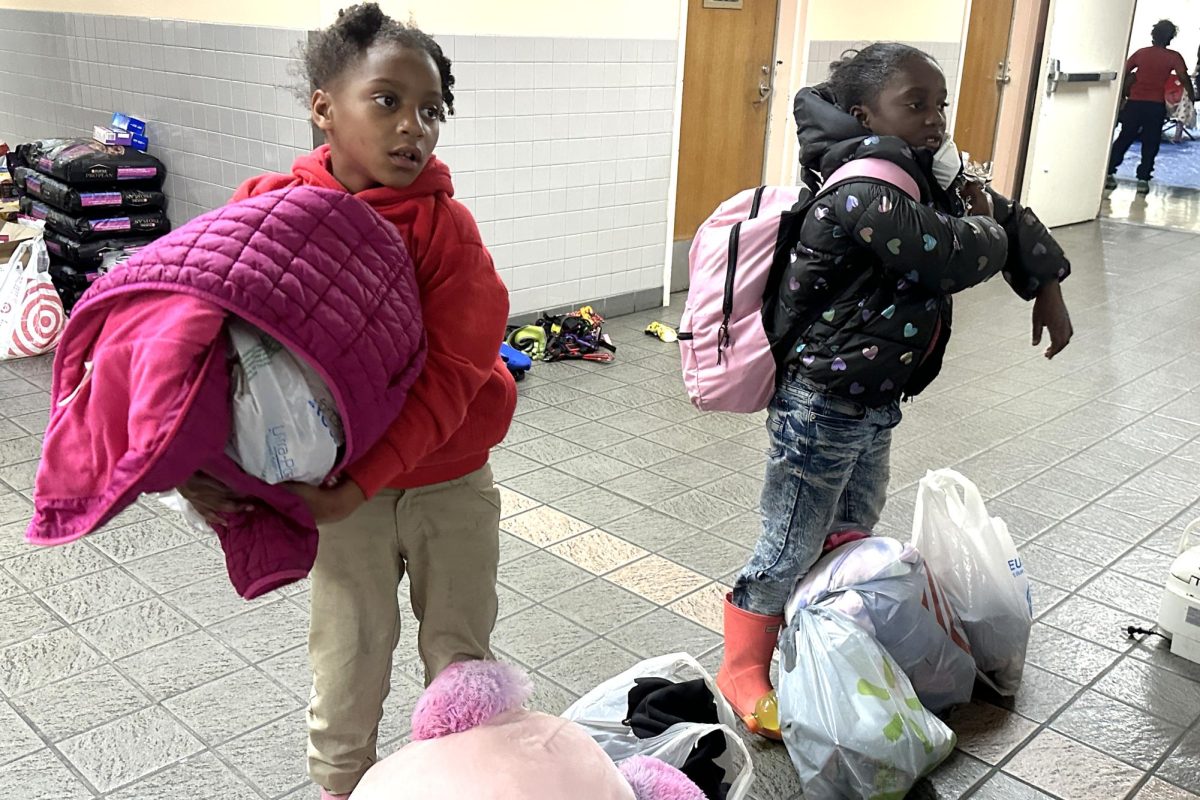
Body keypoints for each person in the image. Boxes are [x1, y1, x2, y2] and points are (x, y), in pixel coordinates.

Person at [177, 5, 516, 798]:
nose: (414, 128)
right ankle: (341, 787)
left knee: (461, 665)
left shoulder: (446, 231)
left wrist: (360, 485)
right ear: (323, 106)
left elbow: (452, 376)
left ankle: (461, 784)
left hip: (447, 486)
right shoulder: (264, 207)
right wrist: (188, 455)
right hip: (344, 507)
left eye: (432, 111)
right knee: (347, 670)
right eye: (388, 100)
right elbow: (200, 335)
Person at [715, 43, 1074, 740]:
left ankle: (821, 632)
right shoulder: (861, 186)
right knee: (790, 540)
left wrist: (1048, 285)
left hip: (873, 396)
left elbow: (1006, 215)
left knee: (851, 529)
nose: (935, 119)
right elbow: (941, 252)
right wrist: (983, 220)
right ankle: (741, 669)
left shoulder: (923, 172)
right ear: (862, 114)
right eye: (916, 105)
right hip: (820, 399)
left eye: (939, 104)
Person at [1107, 19, 1194, 193]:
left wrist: (1124, 91)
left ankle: (1109, 172)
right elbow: (1183, 77)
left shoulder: (1141, 54)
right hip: (1155, 105)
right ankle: (1143, 179)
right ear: (1170, 38)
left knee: (1125, 137)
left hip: (1135, 103)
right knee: (1151, 142)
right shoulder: (1173, 57)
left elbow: (1123, 71)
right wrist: (1191, 95)